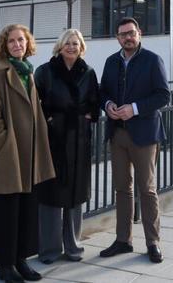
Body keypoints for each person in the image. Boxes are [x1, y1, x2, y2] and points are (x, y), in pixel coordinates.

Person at [0, 24, 56, 282]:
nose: (17, 45)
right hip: (8, 155)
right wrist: (3, 145)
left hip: (29, 153)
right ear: (4, 45)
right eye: (11, 41)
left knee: (25, 209)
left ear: (27, 43)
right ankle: (4, 266)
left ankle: (21, 260)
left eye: (21, 40)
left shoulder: (28, 72)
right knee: (5, 211)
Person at [97, 17, 170, 263]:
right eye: (122, 34)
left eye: (131, 33)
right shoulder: (111, 62)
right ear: (117, 38)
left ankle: (153, 242)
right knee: (122, 189)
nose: (127, 37)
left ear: (139, 33)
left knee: (147, 190)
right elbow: (102, 91)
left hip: (144, 134)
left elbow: (163, 96)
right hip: (117, 133)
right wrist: (108, 105)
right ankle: (123, 240)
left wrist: (135, 108)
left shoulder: (152, 60)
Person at [34, 28, 100, 264]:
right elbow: (34, 101)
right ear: (59, 46)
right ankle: (49, 250)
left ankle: (73, 247)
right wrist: (49, 119)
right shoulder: (45, 71)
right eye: (67, 43)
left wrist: (89, 115)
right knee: (51, 194)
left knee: (75, 195)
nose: (71, 47)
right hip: (53, 140)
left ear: (81, 47)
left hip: (79, 140)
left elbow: (95, 100)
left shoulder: (88, 72)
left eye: (75, 43)